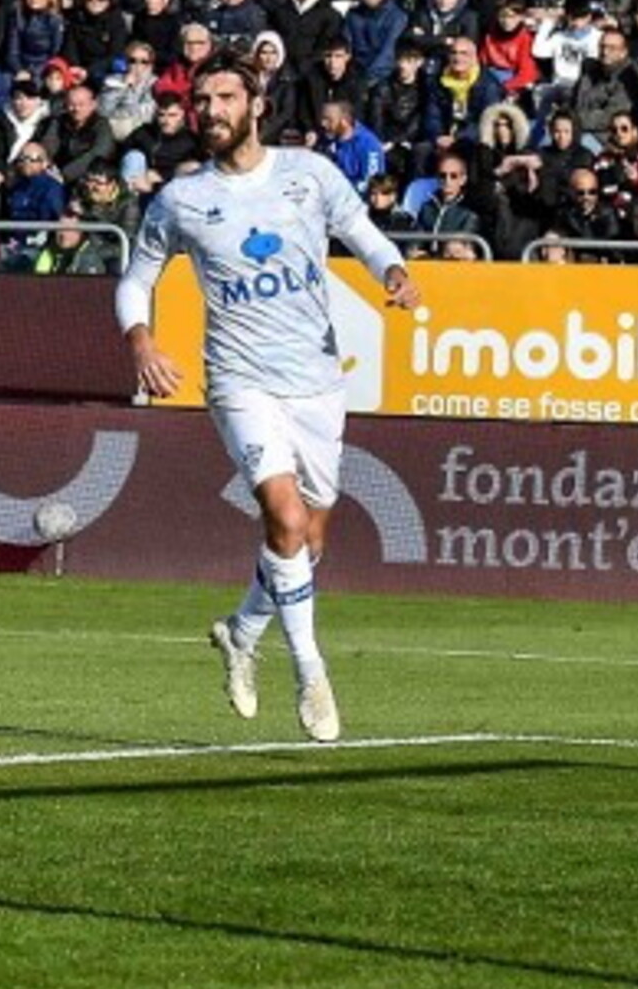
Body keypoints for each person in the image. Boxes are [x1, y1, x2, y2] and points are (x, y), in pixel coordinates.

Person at [117, 57, 421, 744]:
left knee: (307, 538)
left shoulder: (307, 175)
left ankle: (242, 630)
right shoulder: (181, 200)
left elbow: (361, 233)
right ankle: (311, 671)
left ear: (256, 102)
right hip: (238, 380)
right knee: (282, 515)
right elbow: (135, 281)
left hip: (315, 380)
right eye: (202, 100)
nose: (212, 110)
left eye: (225, 96)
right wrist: (142, 340)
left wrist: (393, 272)